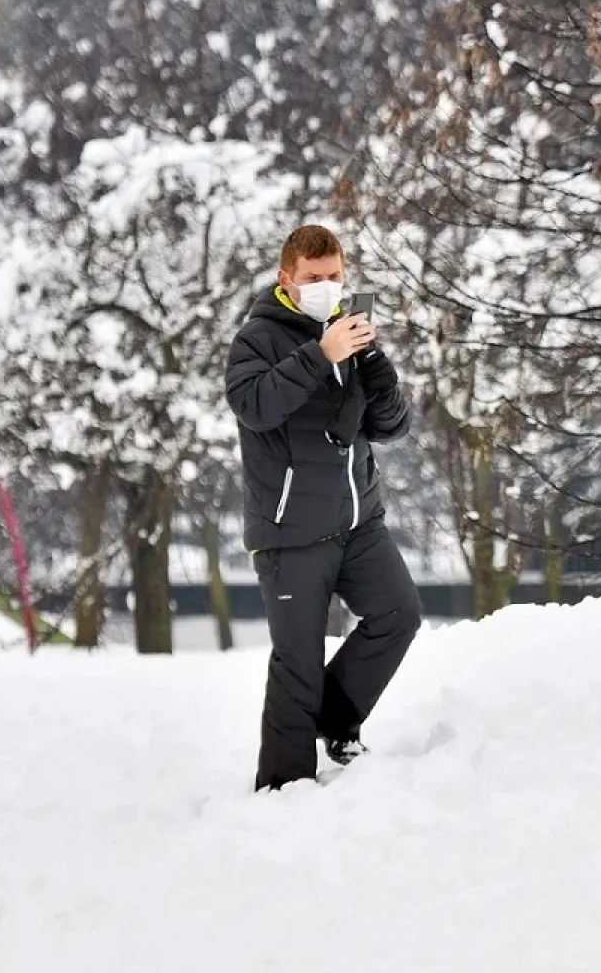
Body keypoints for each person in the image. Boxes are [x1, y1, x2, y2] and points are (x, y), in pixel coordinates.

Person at [225, 223, 424, 792]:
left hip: (359, 522)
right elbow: (255, 406)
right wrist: (318, 355)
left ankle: (335, 719)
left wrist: (380, 378)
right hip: (291, 531)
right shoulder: (257, 339)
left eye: (335, 276)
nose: (327, 287)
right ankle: (284, 786)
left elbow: (389, 429)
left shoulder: (348, 333)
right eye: (314, 278)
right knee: (298, 662)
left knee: (399, 615)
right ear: (285, 277)